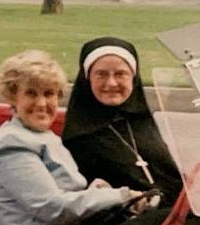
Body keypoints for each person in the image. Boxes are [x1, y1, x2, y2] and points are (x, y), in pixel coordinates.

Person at [0, 50, 168, 225]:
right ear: (12, 97)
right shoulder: (12, 144)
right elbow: (53, 208)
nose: (42, 104)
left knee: (169, 218)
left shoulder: (41, 136)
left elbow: (63, 195)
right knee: (169, 222)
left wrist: (97, 191)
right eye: (31, 93)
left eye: (49, 94)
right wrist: (121, 195)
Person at [62, 37, 183, 196]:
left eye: (120, 74)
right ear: (87, 79)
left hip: (170, 212)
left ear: (133, 78)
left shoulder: (145, 124)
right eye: (101, 74)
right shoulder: (78, 138)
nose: (111, 83)